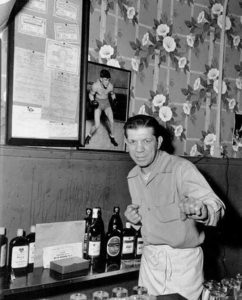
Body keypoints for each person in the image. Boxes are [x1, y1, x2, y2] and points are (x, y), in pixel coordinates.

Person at [123, 114, 225, 300]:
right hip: (150, 263)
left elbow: (216, 206)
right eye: (133, 142)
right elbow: (152, 218)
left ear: (158, 141)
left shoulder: (181, 169)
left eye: (146, 141)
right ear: (126, 143)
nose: (139, 149)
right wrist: (135, 220)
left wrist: (201, 210)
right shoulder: (132, 176)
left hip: (182, 265)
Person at [85, 69, 118, 147]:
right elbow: (90, 95)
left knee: (112, 121)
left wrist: (114, 99)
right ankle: (88, 136)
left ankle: (112, 137)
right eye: (106, 80)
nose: (107, 81)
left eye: (109, 80)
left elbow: (113, 94)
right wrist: (92, 101)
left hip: (106, 103)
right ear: (101, 79)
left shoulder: (110, 86)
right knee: (97, 125)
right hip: (98, 103)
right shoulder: (95, 86)